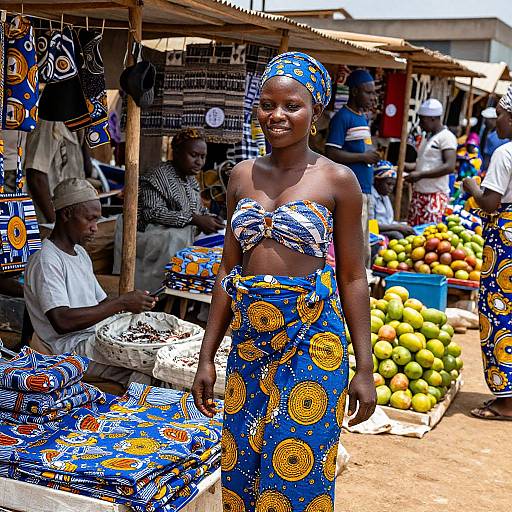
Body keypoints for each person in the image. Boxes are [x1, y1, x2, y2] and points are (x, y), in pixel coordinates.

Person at [192, 52, 376, 511]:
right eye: (267, 104)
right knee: (240, 468)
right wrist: (207, 356)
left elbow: (353, 277)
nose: (276, 115)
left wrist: (366, 368)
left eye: (291, 106)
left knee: (297, 471)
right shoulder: (241, 177)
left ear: (315, 112)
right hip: (252, 341)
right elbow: (226, 273)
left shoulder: (338, 181)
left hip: (313, 343)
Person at [24, 178, 156, 385]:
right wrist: (121, 303)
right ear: (67, 214)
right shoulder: (46, 259)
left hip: (90, 338)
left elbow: (101, 304)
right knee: (148, 362)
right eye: (90, 219)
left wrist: (130, 308)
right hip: (68, 348)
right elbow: (62, 321)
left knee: (152, 352)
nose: (95, 227)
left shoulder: (80, 253)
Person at [462, 86, 512, 421]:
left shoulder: (505, 153)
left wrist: (471, 186)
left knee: (500, 314)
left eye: (502, 117)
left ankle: (507, 401)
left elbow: (491, 202)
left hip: (505, 241)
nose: (497, 124)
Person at [125, 128, 224, 291]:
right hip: (149, 237)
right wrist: (194, 219)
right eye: (194, 155)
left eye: (202, 156)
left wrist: (210, 218)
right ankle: (167, 290)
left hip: (181, 233)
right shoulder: (156, 176)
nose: (199, 162)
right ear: (176, 152)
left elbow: (198, 210)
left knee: (224, 237)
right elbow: (152, 213)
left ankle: (202, 291)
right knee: (176, 237)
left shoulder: (191, 179)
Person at [325, 69, 380, 266]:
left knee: (364, 246)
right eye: (368, 92)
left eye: (374, 93)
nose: (372, 97)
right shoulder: (343, 118)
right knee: (353, 247)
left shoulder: (362, 118)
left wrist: (370, 155)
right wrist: (364, 156)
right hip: (351, 192)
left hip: (365, 190)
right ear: (355, 92)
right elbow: (331, 153)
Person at [25, 119, 92, 224]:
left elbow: (88, 169)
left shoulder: (77, 123)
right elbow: (36, 175)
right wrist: (56, 223)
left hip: (69, 216)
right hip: (51, 215)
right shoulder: (48, 121)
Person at [405, 98, 457, 226]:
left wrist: (420, 175)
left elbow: (449, 166)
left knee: (429, 236)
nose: (420, 124)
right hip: (419, 195)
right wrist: (404, 167)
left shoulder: (446, 137)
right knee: (414, 235)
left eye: (422, 120)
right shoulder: (426, 137)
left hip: (434, 196)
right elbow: (424, 164)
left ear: (433, 119)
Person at [370, 161, 414, 240]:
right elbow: (371, 225)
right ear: (377, 181)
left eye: (393, 185)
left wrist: (402, 225)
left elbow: (389, 221)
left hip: (387, 229)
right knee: (397, 235)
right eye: (388, 184)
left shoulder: (385, 196)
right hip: (375, 232)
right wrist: (398, 227)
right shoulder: (370, 197)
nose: (391, 188)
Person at [480, 107, 510, 173]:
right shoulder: (484, 130)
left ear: (494, 120)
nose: (485, 122)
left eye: (487, 120)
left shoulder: (500, 135)